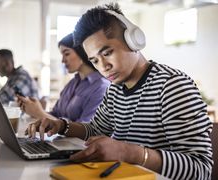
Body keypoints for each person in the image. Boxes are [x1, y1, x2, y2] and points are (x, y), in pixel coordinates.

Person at [25, 3, 212, 180]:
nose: (104, 67)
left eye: (106, 53)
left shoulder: (172, 86)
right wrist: (61, 126)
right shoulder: (116, 90)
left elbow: (201, 169)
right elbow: (95, 130)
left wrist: (129, 153)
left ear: (133, 40)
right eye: (95, 61)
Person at [17, 33, 110, 122]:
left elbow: (86, 130)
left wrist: (39, 113)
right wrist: (33, 110)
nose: (62, 60)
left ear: (82, 52)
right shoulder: (72, 83)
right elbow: (56, 115)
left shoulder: (101, 87)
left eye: (66, 54)